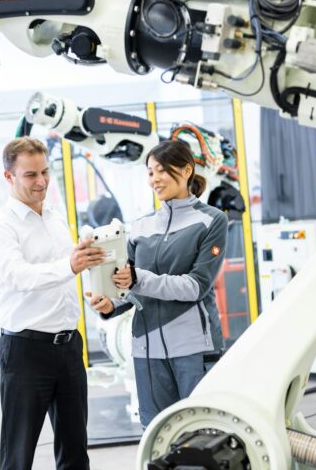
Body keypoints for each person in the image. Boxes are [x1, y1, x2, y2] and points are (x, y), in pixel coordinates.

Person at [0, 136, 105, 470]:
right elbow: (17, 276)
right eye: (30, 175)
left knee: (75, 449)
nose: (41, 182)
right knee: (18, 453)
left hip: (68, 346)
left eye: (45, 172)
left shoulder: (54, 214)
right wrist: (70, 265)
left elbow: (63, 273)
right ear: (9, 177)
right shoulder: (0, 226)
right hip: (26, 350)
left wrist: (92, 278)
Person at [89, 139, 228, 428]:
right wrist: (109, 303)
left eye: (162, 170)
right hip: (145, 351)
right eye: (150, 172)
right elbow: (127, 287)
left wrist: (138, 279)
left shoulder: (211, 220)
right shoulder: (139, 227)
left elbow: (195, 286)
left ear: (187, 170)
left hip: (193, 349)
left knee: (200, 430)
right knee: (156, 432)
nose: (155, 179)